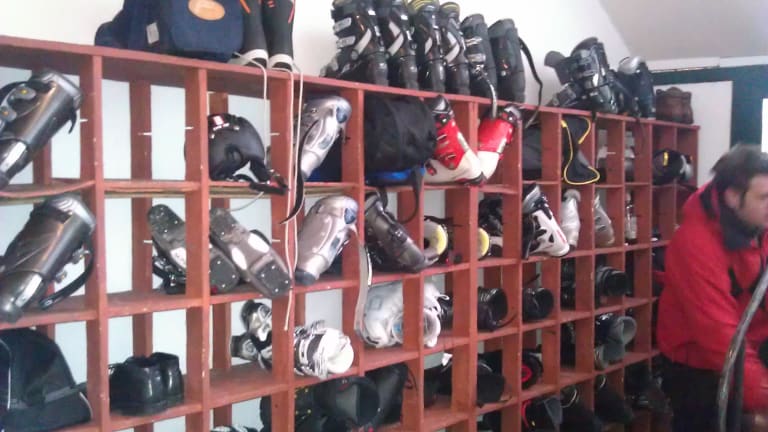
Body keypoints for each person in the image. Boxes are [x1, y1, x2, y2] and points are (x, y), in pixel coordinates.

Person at [658, 144, 768, 431]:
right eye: (764, 197)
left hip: (750, 347)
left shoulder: (757, 224)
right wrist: (762, 397)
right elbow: (719, 336)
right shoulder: (695, 245)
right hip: (699, 366)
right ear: (732, 196)